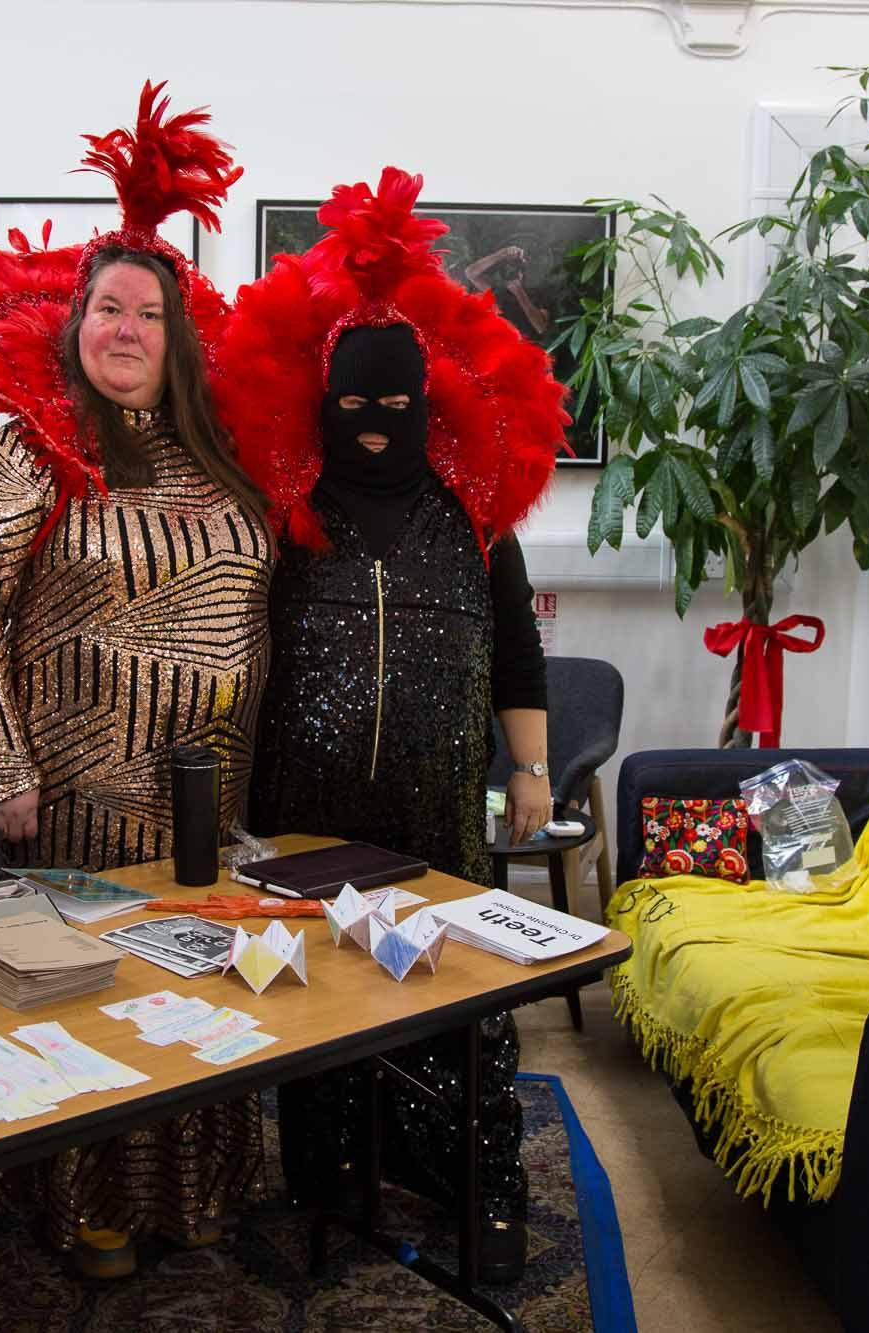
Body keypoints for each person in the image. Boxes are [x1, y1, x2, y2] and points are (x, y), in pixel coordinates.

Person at [0, 82, 271, 1265]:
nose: (124, 329)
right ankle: (88, 1203)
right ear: (75, 328)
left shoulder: (213, 455)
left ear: (178, 336)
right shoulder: (35, 445)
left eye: (147, 314)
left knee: (198, 993)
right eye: (106, 310)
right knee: (100, 999)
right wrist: (2, 763)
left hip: (207, 796)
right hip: (72, 797)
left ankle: (193, 1194)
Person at [213, 168, 567, 1283]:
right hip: (307, 815)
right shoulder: (287, 517)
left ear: (427, 404)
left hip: (433, 813)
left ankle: (477, 1184)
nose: (374, 429)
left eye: (394, 407)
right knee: (316, 1001)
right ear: (324, 407)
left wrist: (532, 770)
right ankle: (328, 1176)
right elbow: (240, 660)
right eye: (353, 408)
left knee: (449, 999)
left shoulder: (473, 518)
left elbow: (517, 649)